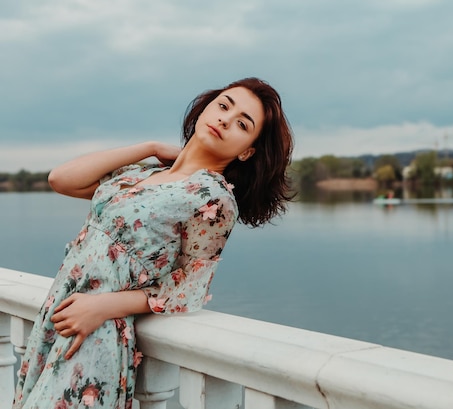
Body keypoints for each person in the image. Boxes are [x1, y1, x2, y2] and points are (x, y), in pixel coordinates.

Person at [13, 77, 294, 409]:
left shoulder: (212, 197)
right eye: (223, 106)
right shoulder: (141, 174)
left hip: (94, 332)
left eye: (242, 124)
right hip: (59, 318)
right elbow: (61, 179)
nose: (224, 120)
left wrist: (104, 306)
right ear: (205, 109)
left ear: (247, 150)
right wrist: (149, 147)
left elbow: (191, 286)